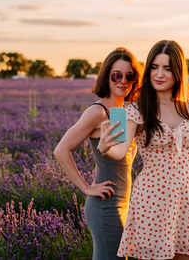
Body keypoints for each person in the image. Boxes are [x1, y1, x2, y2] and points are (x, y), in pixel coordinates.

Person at [98, 40, 189, 260]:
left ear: (178, 72)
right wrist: (105, 148)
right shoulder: (136, 109)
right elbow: (119, 151)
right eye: (154, 67)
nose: (159, 74)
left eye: (167, 68)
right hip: (151, 200)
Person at [53, 47, 142, 260]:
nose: (123, 81)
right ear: (107, 77)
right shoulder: (98, 112)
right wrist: (86, 187)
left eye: (129, 76)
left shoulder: (125, 111)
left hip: (124, 203)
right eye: (116, 76)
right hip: (106, 205)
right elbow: (61, 150)